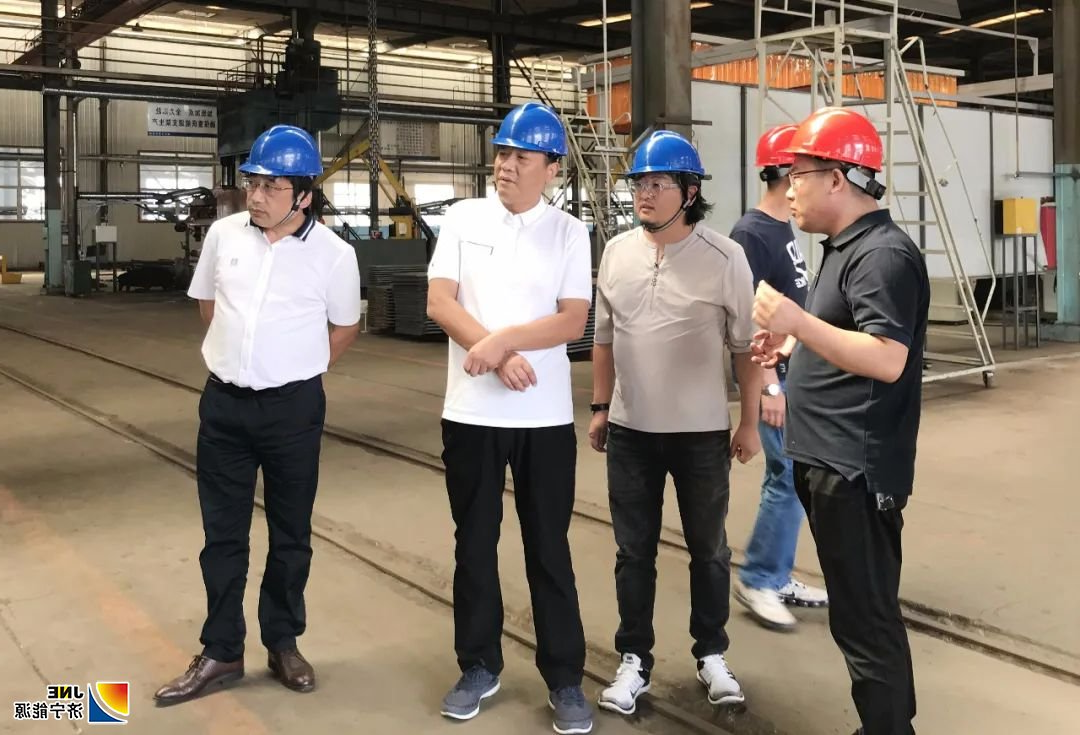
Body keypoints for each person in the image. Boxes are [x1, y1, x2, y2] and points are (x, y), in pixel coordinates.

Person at [154, 125, 362, 706]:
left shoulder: (335, 255)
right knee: (222, 536)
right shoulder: (224, 236)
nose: (256, 194)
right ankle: (221, 649)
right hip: (224, 406)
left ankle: (283, 642)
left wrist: (296, 368)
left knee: (291, 533)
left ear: (304, 195)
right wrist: (238, 360)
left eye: (272, 186)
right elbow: (207, 304)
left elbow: (346, 327)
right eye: (252, 182)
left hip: (293, 410)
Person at [751, 107, 928, 735]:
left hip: (856, 469)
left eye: (798, 174)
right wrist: (792, 344)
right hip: (827, 459)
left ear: (837, 178)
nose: (789, 189)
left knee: (866, 618)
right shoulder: (845, 249)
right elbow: (845, 333)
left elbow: (886, 358)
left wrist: (797, 323)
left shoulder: (882, 255)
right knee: (859, 614)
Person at [425, 101, 595, 735]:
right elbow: (439, 301)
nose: (506, 165)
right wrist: (496, 354)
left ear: (551, 168)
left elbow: (572, 319)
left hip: (544, 419)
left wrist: (502, 342)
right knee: (474, 543)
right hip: (470, 413)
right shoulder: (463, 218)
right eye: (502, 153)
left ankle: (565, 678)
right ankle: (478, 666)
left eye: (522, 156)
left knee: (548, 547)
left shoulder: (568, 232)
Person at [588, 129, 762, 717]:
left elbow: (745, 348)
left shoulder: (725, 257)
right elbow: (604, 339)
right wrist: (600, 407)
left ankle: (711, 654)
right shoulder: (616, 253)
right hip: (631, 432)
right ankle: (633, 659)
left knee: (708, 549)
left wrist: (749, 423)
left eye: (658, 183)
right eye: (639, 182)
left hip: (701, 435)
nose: (644, 193)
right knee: (632, 552)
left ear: (689, 192)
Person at [730, 124, 827, 631]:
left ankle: (778, 573)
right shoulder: (752, 233)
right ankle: (759, 579)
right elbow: (745, 318)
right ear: (790, 172)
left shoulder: (784, 228)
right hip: (775, 376)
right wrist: (768, 385)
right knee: (785, 476)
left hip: (794, 372)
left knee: (796, 476)